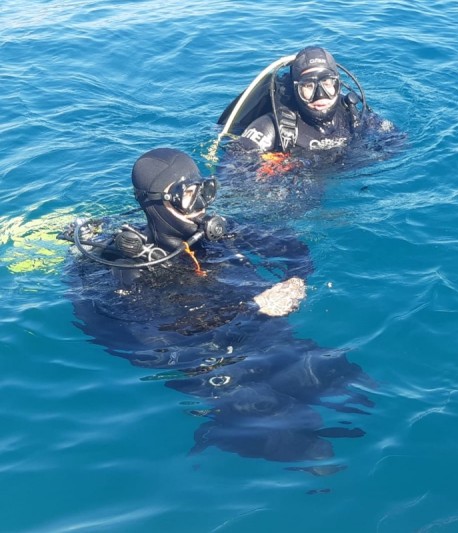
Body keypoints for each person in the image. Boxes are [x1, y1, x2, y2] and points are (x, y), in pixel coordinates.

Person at [60, 147, 372, 465]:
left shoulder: (214, 233)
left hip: (267, 338)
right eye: (188, 196)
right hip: (213, 368)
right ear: (157, 203)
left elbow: (289, 245)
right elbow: (151, 344)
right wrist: (253, 309)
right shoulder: (127, 269)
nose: (201, 207)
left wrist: (297, 278)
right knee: (283, 425)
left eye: (204, 192)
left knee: (344, 380)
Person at [216, 46, 394, 161]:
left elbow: (396, 143)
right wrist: (265, 173)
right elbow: (233, 169)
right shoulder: (272, 127)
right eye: (308, 86)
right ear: (295, 89)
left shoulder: (352, 114)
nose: (320, 95)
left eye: (327, 84)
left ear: (338, 84)